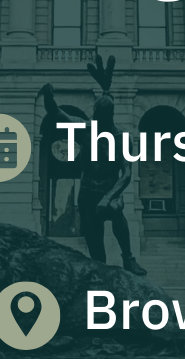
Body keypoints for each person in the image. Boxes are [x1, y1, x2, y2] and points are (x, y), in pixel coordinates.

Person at [40, 57, 146, 276]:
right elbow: (58, 114)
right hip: (88, 193)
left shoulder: (122, 137)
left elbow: (126, 174)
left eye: (99, 117)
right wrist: (49, 98)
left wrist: (109, 197)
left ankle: (129, 258)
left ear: (108, 117)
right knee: (94, 240)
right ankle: (100, 271)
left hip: (110, 191)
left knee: (117, 214)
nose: (95, 119)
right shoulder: (85, 129)